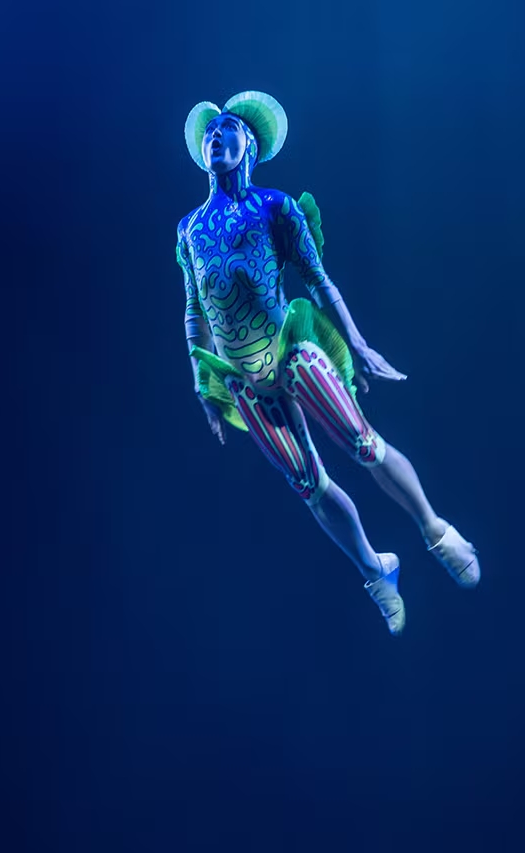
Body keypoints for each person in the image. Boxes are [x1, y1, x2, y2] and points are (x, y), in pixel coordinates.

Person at [175, 91, 479, 635]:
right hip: (245, 380)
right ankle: (376, 571)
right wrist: (205, 385)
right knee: (308, 484)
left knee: (362, 443)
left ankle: (436, 529)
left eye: (228, 128)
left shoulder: (275, 207)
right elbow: (194, 310)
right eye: (210, 131)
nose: (216, 135)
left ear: (250, 146)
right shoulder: (189, 229)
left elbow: (318, 280)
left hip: (291, 350)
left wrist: (357, 344)